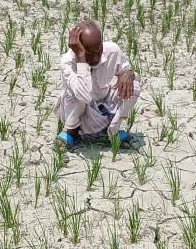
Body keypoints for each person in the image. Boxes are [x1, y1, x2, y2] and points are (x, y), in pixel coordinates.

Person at [53, 19, 141, 151]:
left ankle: (112, 132)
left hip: (103, 109)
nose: (95, 58)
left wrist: (129, 73)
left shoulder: (112, 50)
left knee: (132, 85)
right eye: (89, 53)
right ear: (78, 48)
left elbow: (128, 72)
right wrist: (81, 58)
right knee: (76, 89)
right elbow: (83, 96)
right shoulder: (67, 62)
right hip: (78, 112)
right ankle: (72, 133)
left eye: (98, 51)